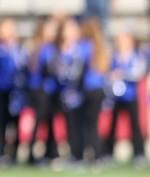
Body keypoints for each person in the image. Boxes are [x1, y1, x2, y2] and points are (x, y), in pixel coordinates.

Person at [104, 30, 147, 165]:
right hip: (116, 97)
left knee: (135, 125)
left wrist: (123, 73)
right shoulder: (114, 56)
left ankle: (139, 153)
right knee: (112, 126)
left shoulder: (135, 56)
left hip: (130, 96)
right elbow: (107, 74)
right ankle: (107, 153)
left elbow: (138, 73)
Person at [51, 17, 87, 166]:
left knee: (78, 124)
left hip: (78, 93)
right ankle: (73, 153)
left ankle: (79, 154)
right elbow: (57, 70)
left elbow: (79, 72)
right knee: (69, 125)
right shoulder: (59, 50)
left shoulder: (80, 49)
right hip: (64, 94)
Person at [26, 16, 60, 166]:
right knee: (40, 120)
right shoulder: (41, 47)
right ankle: (32, 154)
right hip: (41, 89)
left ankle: (50, 152)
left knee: (49, 120)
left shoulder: (47, 47)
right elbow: (46, 69)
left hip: (47, 89)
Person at [79, 17, 109, 165]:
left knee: (87, 124)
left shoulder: (85, 46)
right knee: (95, 123)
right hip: (99, 89)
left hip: (88, 89)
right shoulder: (101, 46)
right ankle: (98, 153)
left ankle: (90, 153)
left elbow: (79, 68)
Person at [0, 18, 25, 165]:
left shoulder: (18, 48)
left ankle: (14, 153)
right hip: (2, 89)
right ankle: (2, 151)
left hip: (16, 91)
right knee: (2, 122)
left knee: (15, 122)